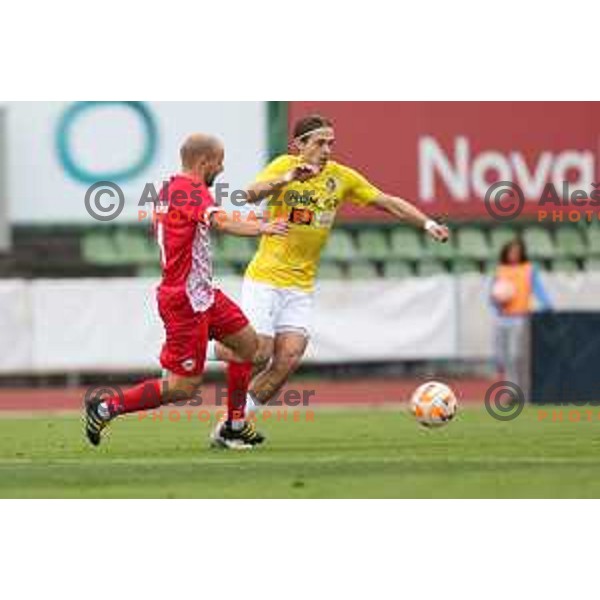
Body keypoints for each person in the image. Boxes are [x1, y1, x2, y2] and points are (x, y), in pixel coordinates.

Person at [210, 114, 449, 448]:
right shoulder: (283, 165)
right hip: (266, 277)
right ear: (299, 145)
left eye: (330, 143)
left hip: (301, 286)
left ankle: (230, 426)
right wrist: (287, 178)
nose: (326, 150)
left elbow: (388, 202)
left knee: (288, 358)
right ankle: (198, 350)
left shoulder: (342, 178)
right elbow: (249, 194)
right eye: (319, 142)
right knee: (259, 352)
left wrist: (426, 224)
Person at [84, 133, 288, 449]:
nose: (221, 168)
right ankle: (107, 406)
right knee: (182, 387)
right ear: (204, 161)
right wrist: (261, 228)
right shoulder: (187, 190)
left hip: (204, 293)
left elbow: (215, 217)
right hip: (184, 300)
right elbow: (220, 221)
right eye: (219, 162)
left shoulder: (173, 188)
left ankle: (234, 424)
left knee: (249, 346)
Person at [490, 238, 552, 389]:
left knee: (515, 355)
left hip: (520, 318)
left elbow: (539, 290)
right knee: (502, 357)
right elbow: (492, 296)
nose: (514, 254)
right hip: (502, 319)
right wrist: (497, 301)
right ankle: (510, 387)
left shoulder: (529, 270)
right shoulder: (500, 270)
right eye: (511, 251)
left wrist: (548, 307)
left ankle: (517, 390)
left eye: (517, 252)